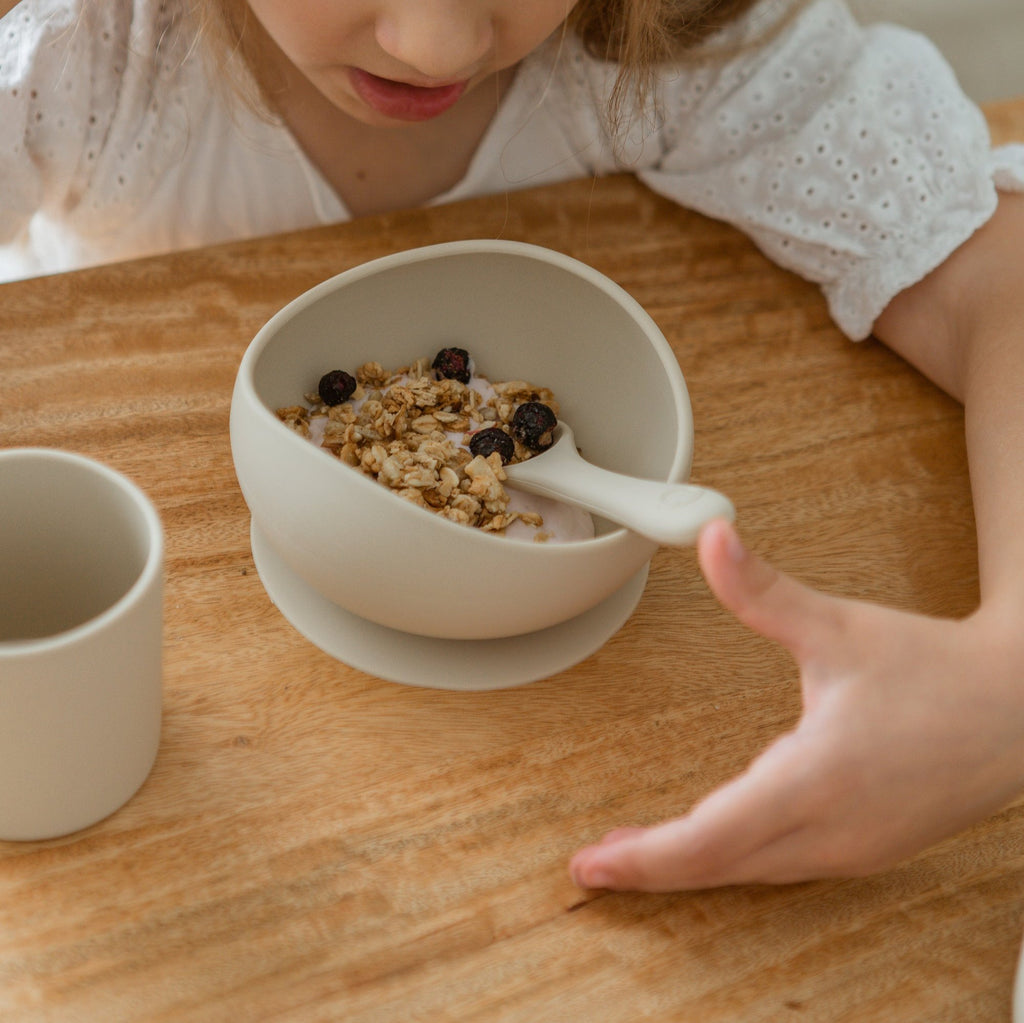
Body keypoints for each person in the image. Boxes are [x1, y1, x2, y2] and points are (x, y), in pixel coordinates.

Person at [3, 0, 1023, 891]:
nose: (435, 43)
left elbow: (993, 278)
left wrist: (999, 686)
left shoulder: (664, 42)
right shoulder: (86, 49)